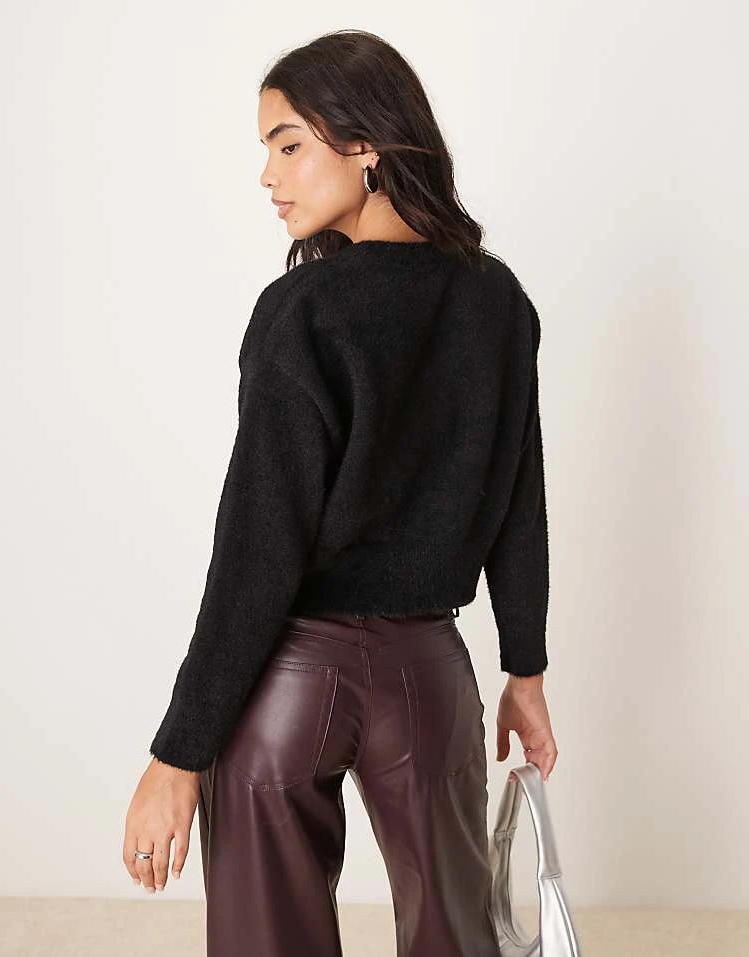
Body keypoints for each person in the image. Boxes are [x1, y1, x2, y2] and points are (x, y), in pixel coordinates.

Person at [123, 28, 557, 956]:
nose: (269, 175)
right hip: (430, 678)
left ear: (365, 144)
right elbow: (520, 500)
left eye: (289, 145)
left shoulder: (304, 311)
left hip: (291, 678)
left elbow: (257, 548)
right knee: (456, 935)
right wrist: (525, 670)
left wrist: (177, 751)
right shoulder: (499, 303)